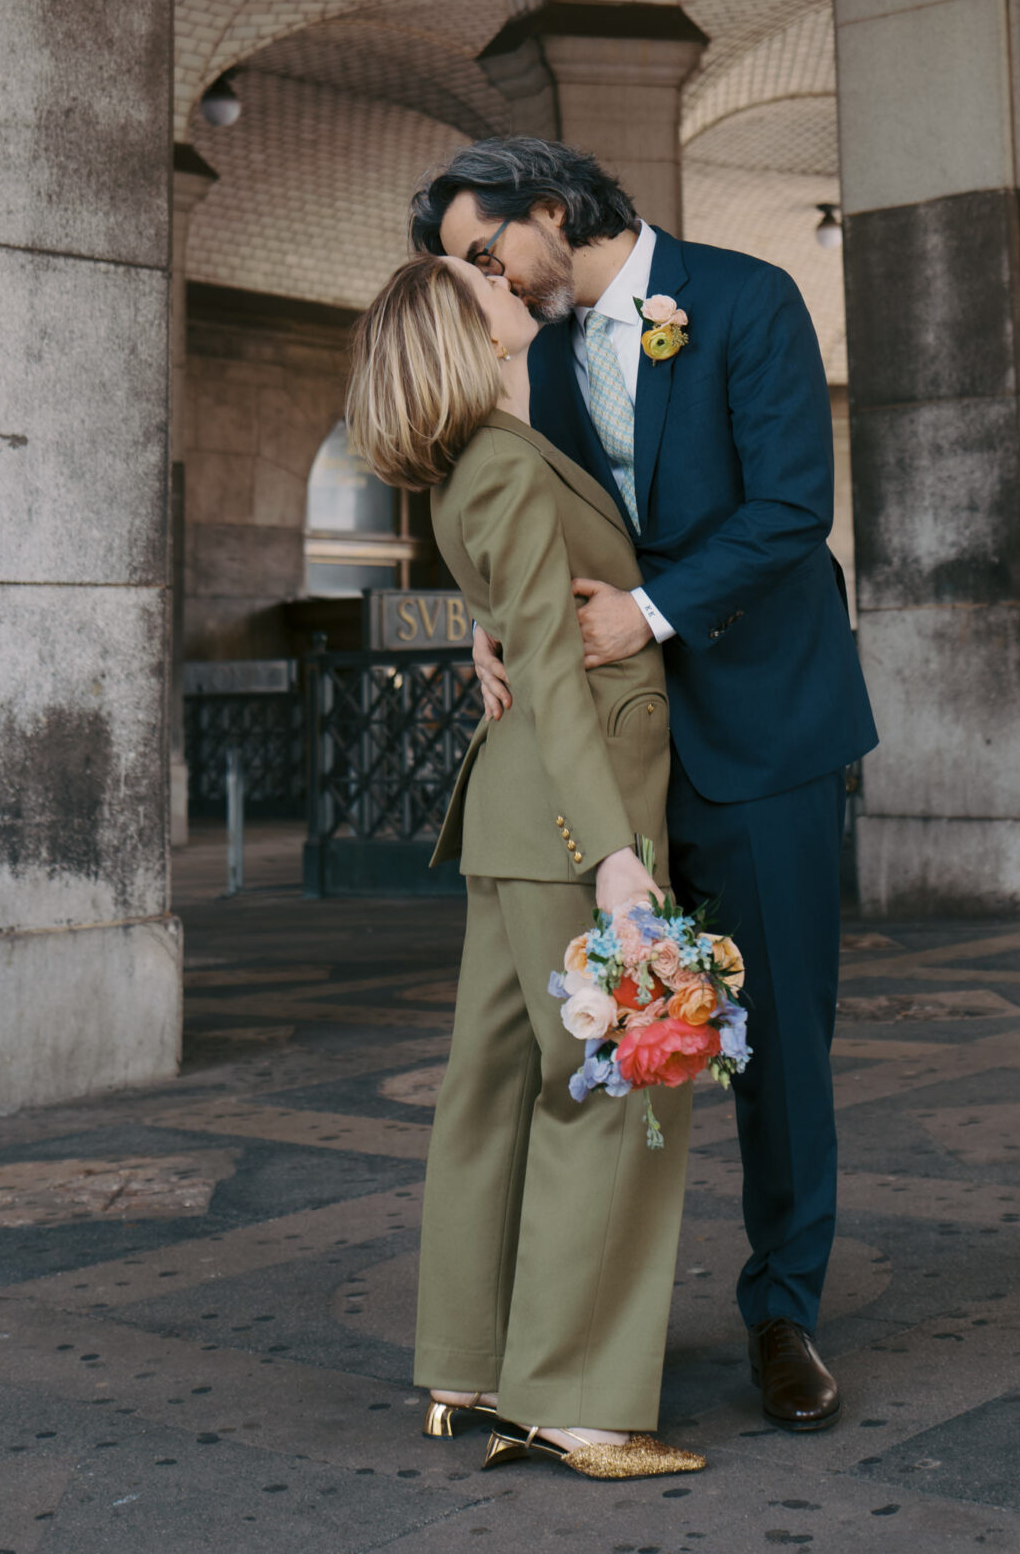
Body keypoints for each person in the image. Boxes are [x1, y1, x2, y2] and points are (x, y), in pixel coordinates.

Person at [412, 137, 877, 1434]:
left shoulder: (745, 297)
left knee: (781, 1039)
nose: (478, 280)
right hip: (608, 756)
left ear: (550, 213)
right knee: (607, 1054)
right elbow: (513, 506)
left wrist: (650, 612)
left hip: (764, 734)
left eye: (484, 250)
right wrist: (487, 617)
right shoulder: (532, 350)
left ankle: (782, 1313)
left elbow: (792, 508)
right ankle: (577, 1339)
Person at [345, 249, 705, 1484]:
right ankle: (582, 1403)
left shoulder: (486, 458)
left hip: (517, 814)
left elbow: (524, 623)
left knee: (491, 1085)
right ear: (466, 329)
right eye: (474, 274)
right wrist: (616, 861)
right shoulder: (498, 462)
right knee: (619, 1083)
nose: (498, 272)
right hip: (571, 808)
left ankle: (466, 1364)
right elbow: (552, 668)